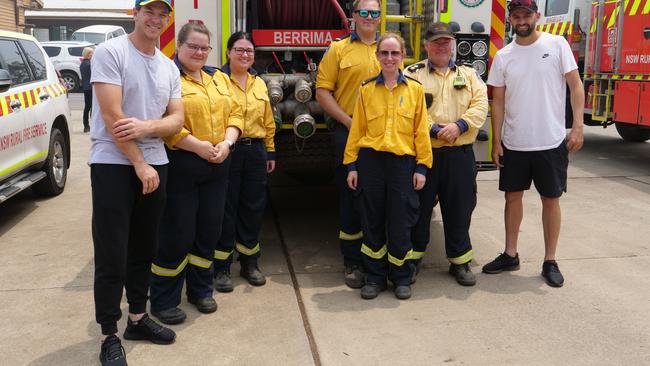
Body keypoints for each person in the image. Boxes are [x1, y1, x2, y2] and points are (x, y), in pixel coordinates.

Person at [89, 0, 183, 365]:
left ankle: (138, 318)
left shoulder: (167, 66)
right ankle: (108, 334)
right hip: (113, 163)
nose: (156, 20)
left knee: (145, 247)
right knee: (112, 250)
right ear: (135, 14)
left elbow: (176, 120)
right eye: (150, 12)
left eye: (163, 14)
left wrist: (147, 127)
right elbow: (113, 115)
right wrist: (140, 163)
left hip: (156, 163)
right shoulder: (111, 52)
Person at [484, 0, 584, 287]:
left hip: (551, 141)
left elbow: (576, 86)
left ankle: (550, 260)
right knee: (512, 198)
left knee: (550, 200)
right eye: (516, 16)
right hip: (515, 142)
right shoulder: (503, 56)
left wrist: (577, 126)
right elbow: (498, 101)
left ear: (536, 16)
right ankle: (510, 254)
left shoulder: (557, 45)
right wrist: (496, 141)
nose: (522, 20)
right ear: (511, 20)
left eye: (526, 15)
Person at [149, 22, 243, 324]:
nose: (199, 52)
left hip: (218, 164)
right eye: (193, 46)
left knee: (209, 231)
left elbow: (236, 113)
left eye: (204, 47)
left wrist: (227, 144)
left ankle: (201, 290)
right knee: (178, 234)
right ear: (179, 46)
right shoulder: (167, 77)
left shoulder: (218, 78)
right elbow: (164, 121)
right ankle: (163, 299)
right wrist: (198, 146)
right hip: (184, 165)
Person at [344, 33, 432, 300]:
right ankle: (375, 277)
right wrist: (351, 165)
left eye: (395, 53)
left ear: (402, 56)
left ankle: (401, 277)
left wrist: (422, 167)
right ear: (377, 56)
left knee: (400, 221)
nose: (390, 58)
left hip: (402, 165)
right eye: (385, 53)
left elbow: (421, 133)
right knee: (371, 220)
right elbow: (357, 129)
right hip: (371, 163)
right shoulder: (366, 89)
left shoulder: (415, 90)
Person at [405, 22, 488, 286]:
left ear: (452, 43)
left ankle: (460, 261)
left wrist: (459, 126)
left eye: (446, 41)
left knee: (460, 208)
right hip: (423, 154)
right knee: (417, 209)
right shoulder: (412, 74)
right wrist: (431, 129)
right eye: (436, 42)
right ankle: (413, 258)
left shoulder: (470, 74)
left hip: (459, 154)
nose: (442, 46)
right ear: (427, 45)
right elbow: (406, 109)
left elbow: (480, 105)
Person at [316, 0, 382, 289]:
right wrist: (346, 121)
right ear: (353, 16)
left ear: (381, 17)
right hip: (349, 131)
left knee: (378, 197)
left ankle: (376, 259)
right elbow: (322, 91)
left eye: (374, 13)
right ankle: (353, 262)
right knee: (351, 196)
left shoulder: (389, 50)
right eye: (363, 12)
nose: (369, 17)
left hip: (383, 135)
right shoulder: (338, 49)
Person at [213, 32, 276, 292]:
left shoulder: (259, 83)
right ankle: (222, 267)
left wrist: (270, 151)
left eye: (249, 50)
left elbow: (268, 120)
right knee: (226, 207)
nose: (245, 55)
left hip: (255, 150)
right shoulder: (216, 81)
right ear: (228, 52)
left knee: (253, 207)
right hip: (229, 150)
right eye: (239, 50)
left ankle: (250, 263)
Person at [80, 46, 93, 133]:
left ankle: (86, 126)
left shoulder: (82, 64)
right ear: (88, 54)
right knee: (94, 108)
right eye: (92, 53)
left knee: (87, 107)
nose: (93, 54)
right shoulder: (90, 64)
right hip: (92, 88)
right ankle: (94, 126)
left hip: (85, 88)